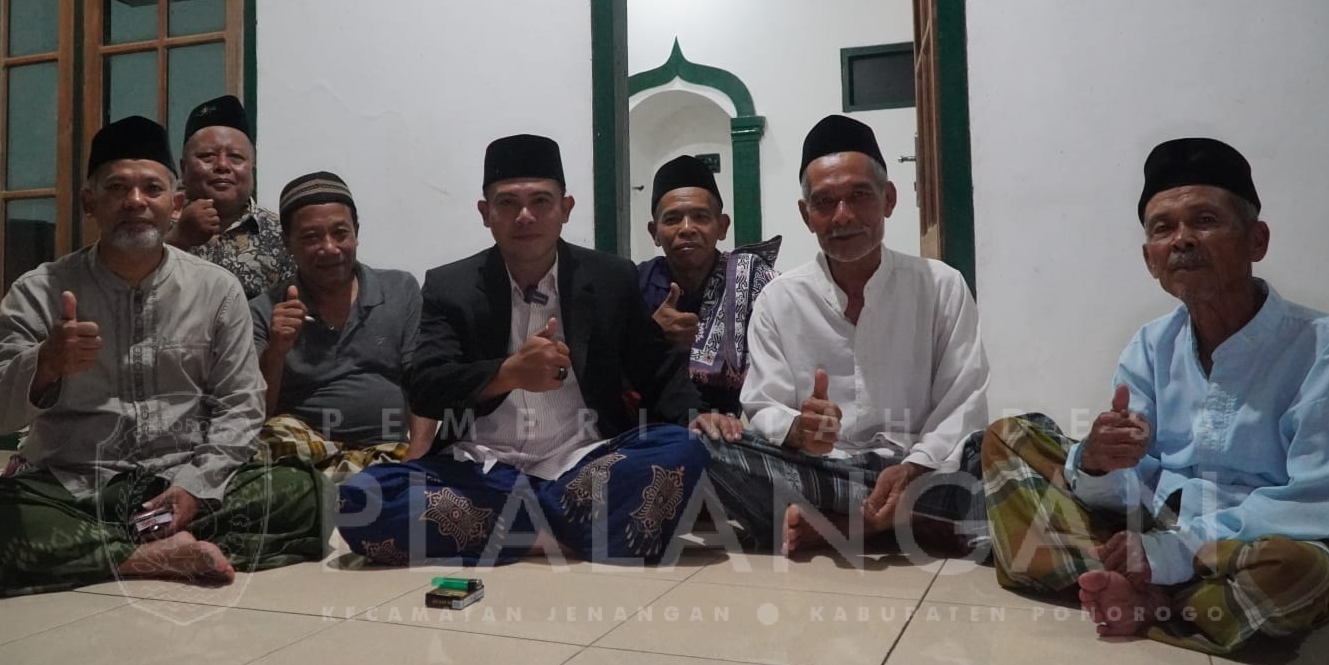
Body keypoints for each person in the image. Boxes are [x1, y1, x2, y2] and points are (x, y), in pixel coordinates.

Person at [983, 137, 1329, 654]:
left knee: (1297, 572)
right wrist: (1099, 462)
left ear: (1257, 240)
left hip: (1262, 541)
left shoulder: (1324, 347)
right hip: (1162, 524)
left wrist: (1168, 554)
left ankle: (1151, 598)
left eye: (1205, 220)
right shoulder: (1151, 345)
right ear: (1149, 260)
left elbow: (1315, 506)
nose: (1182, 240)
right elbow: (1130, 488)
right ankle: (1179, 600)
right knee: (1009, 438)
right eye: (1163, 229)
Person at [0, 116, 324, 596]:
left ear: (175, 205)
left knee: (308, 493)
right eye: (117, 188)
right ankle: (149, 555)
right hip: (74, 489)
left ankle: (92, 551)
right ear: (90, 202)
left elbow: (241, 404)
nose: (135, 202)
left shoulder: (217, 290)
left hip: (180, 483)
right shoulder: (39, 290)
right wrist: (44, 364)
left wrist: (196, 486)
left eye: (152, 188)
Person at [336, 134, 710, 566]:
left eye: (541, 201)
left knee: (683, 448)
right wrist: (507, 373)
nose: (525, 216)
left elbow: (656, 369)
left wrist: (695, 417)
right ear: (485, 213)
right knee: (361, 500)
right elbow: (425, 387)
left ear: (565, 208)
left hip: (581, 466)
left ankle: (508, 530)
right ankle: (572, 534)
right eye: (508, 203)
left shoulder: (609, 277)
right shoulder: (451, 286)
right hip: (480, 472)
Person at [703, 115, 993, 557]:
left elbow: (964, 403)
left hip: (919, 468)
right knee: (706, 447)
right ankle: (906, 520)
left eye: (859, 195)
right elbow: (763, 405)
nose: (843, 216)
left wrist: (914, 469)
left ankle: (853, 524)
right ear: (806, 215)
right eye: (825, 202)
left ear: (888, 199)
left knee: (1004, 447)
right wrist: (799, 430)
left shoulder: (941, 286)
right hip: (822, 469)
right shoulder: (779, 300)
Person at [251, 170, 436, 476]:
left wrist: (417, 460)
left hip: (387, 451)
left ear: (356, 232)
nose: (330, 248)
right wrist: (276, 350)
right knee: (261, 448)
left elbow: (424, 384)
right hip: (299, 456)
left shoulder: (400, 289)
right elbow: (256, 414)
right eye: (311, 237)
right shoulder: (264, 310)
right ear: (287, 242)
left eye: (340, 233)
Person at [636, 154, 779, 431]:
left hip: (727, 431)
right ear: (654, 232)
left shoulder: (754, 281)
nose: (687, 229)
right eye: (672, 219)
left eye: (700, 217)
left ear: (722, 226)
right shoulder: (632, 284)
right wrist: (652, 336)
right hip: (645, 428)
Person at [168, 94, 294, 298]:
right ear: (184, 168)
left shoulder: (282, 235)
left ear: (252, 168)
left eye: (236, 157)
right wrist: (178, 237)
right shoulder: (156, 222)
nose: (222, 166)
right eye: (207, 156)